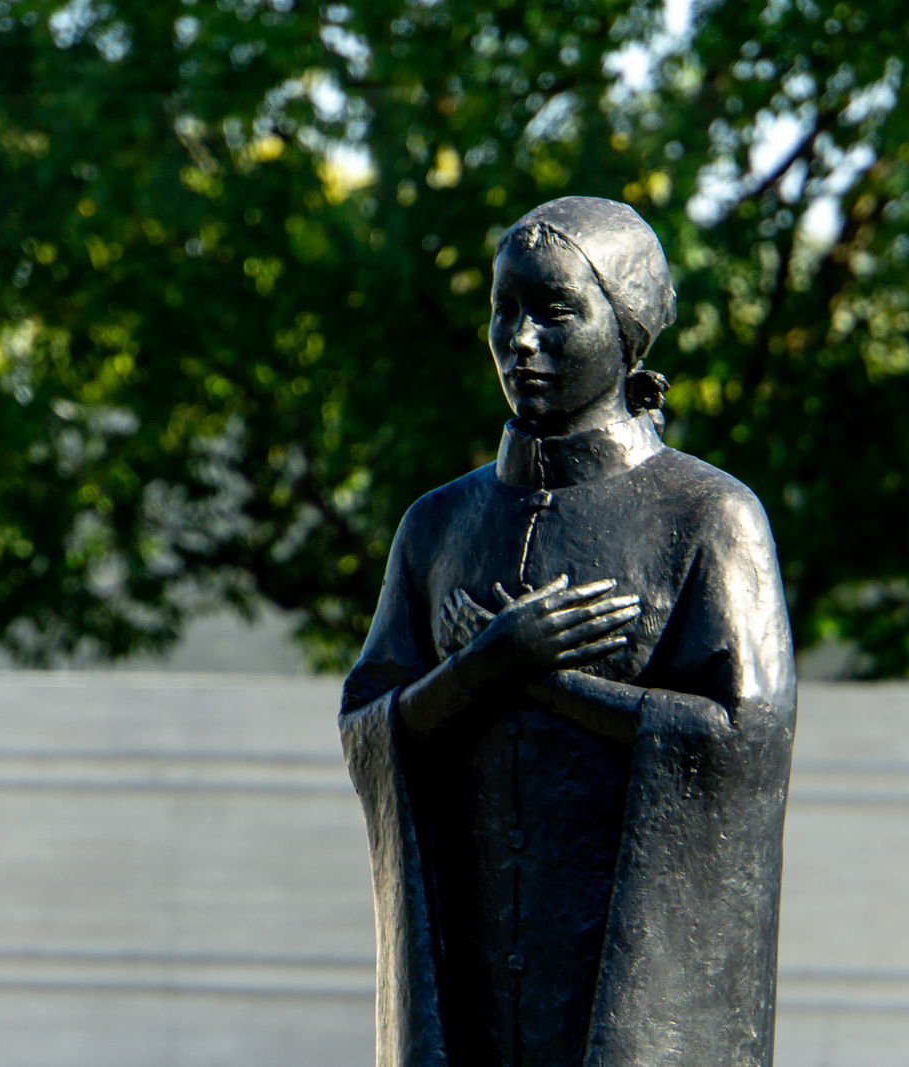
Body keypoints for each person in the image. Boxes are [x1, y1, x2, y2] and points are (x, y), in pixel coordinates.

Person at [341, 196, 796, 1067]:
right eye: (504, 310)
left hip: (621, 984)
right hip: (471, 979)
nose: (520, 340)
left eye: (555, 311)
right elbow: (370, 725)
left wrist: (544, 681)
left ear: (626, 332)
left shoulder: (709, 514)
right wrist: (481, 668)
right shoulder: (436, 526)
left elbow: (743, 739)